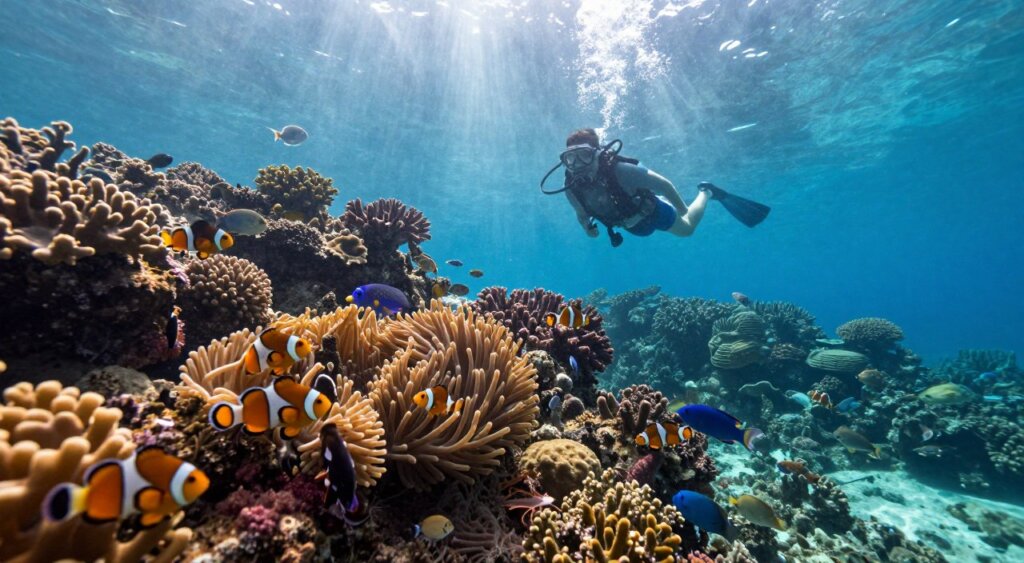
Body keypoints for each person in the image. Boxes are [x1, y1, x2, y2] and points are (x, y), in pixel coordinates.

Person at [541, 128, 769, 246]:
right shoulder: (571, 186)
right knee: (673, 230)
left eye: (584, 156)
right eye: (571, 159)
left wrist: (682, 210)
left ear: (598, 153)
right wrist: (586, 228)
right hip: (631, 226)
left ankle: (706, 192)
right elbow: (581, 213)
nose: (577, 165)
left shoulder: (622, 170)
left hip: (655, 212)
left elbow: (664, 184)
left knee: (688, 230)